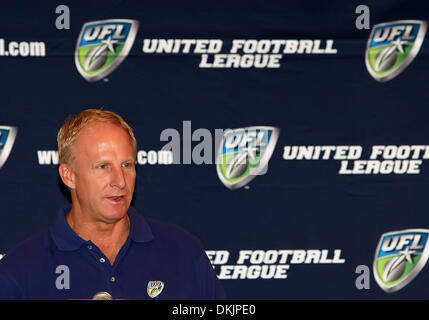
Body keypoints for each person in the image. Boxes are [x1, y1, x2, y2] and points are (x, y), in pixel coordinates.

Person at [0, 109, 226, 300]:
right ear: (69, 176)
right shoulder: (21, 271)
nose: (120, 181)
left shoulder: (184, 253)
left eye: (127, 165)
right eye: (103, 167)